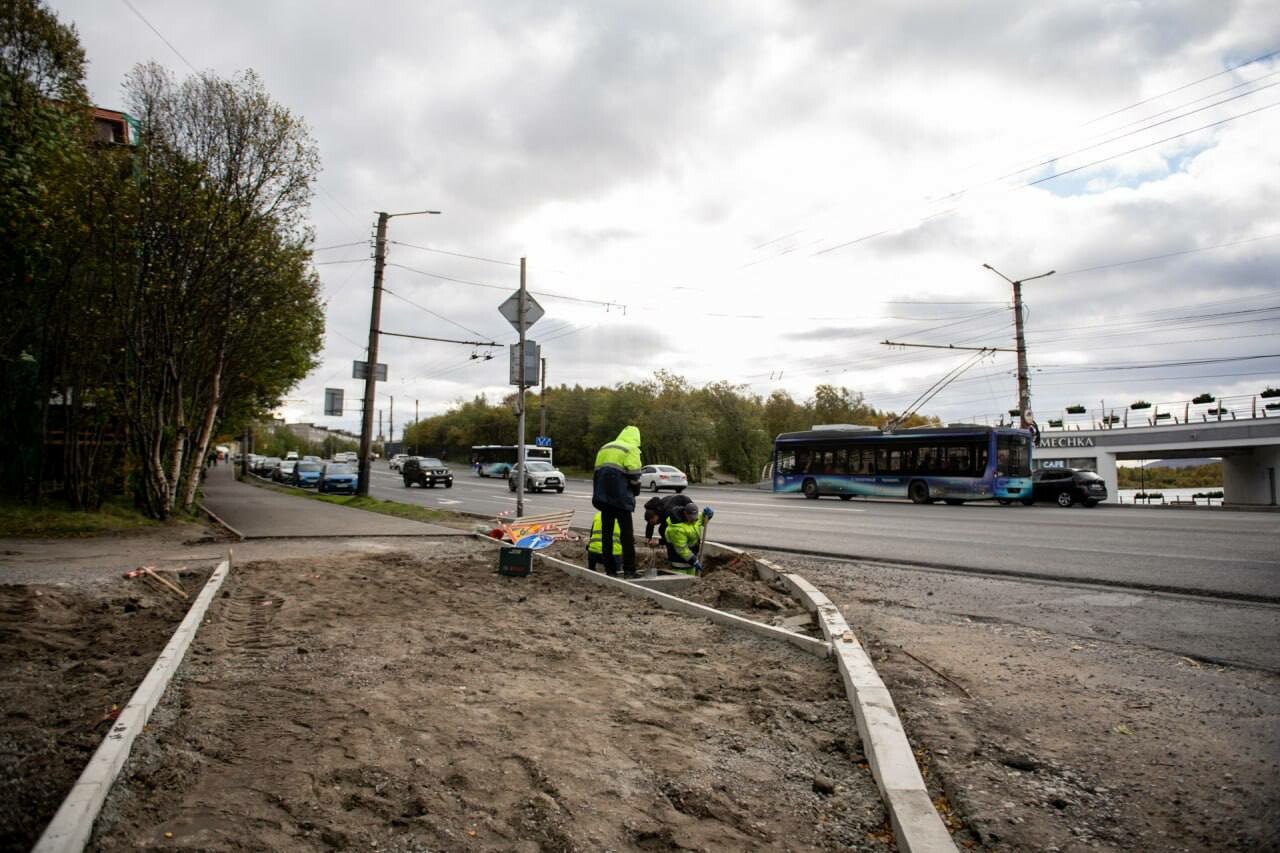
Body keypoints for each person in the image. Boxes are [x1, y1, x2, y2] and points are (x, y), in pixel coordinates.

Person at [592, 425, 642, 578]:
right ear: (636, 438)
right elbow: (634, 475)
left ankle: (610, 570)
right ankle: (629, 570)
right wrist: (635, 491)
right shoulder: (631, 449)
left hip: (603, 498)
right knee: (626, 536)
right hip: (621, 499)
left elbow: (596, 473)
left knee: (607, 535)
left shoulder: (605, 447)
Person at [663, 503, 714, 575]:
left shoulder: (694, 519)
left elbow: (702, 519)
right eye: (691, 518)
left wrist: (708, 515)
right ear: (685, 514)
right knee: (680, 582)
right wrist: (694, 561)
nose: (694, 520)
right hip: (679, 561)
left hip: (691, 559)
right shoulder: (676, 529)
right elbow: (681, 549)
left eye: (695, 517)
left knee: (691, 582)